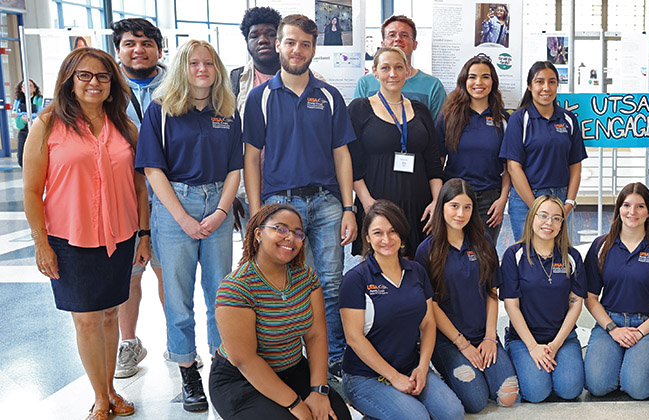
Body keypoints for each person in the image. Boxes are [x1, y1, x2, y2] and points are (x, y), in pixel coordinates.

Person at [23, 47, 149, 420]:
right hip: (68, 239)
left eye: (103, 76)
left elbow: (140, 186)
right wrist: (40, 243)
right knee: (86, 319)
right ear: (69, 80)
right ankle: (100, 397)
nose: (94, 82)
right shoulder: (47, 124)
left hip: (120, 235)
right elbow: (32, 190)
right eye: (85, 75)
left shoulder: (126, 127)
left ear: (112, 84)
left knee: (110, 314)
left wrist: (144, 234)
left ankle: (111, 389)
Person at [243, 14, 358, 378]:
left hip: (325, 203)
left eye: (305, 44)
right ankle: (294, 357)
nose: (297, 50)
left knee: (330, 282)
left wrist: (348, 207)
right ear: (278, 44)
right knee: (289, 283)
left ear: (314, 48)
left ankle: (335, 356)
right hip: (280, 206)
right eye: (290, 42)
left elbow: (342, 154)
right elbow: (250, 158)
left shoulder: (328, 95)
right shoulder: (260, 98)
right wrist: (258, 212)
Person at [134, 39, 242, 413]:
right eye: (194, 63)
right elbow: (152, 168)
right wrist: (182, 217)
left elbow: (235, 168)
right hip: (173, 205)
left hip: (218, 205)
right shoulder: (161, 111)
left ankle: (222, 367)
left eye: (209, 63)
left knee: (221, 293)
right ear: (183, 67)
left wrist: (221, 212)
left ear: (218, 70)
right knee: (178, 298)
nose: (202, 69)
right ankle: (188, 371)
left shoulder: (227, 111)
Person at [209, 204, 352, 420]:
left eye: (297, 233)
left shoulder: (306, 277)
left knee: (337, 415)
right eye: (280, 228)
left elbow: (316, 336)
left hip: (292, 369)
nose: (290, 238)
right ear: (258, 233)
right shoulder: (236, 288)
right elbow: (245, 360)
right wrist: (295, 404)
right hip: (241, 379)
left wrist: (318, 391)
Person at [340, 200, 466, 420]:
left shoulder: (416, 271)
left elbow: (427, 324)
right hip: (366, 376)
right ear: (367, 237)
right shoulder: (356, 280)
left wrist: (423, 367)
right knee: (417, 418)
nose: (386, 239)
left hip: (409, 367)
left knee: (453, 414)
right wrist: (394, 377)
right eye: (378, 233)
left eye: (393, 231)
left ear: (401, 235)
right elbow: (354, 338)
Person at [416, 179, 519, 413]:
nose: (460, 214)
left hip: (483, 335)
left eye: (467, 207)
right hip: (448, 341)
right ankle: (446, 377)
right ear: (441, 206)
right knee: (476, 402)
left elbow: (492, 292)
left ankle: (484, 366)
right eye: (454, 206)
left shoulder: (483, 244)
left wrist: (490, 338)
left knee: (508, 395)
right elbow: (430, 305)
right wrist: (462, 344)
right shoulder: (427, 251)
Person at [583, 182, 649, 400]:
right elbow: (591, 297)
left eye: (640, 206)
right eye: (626, 205)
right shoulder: (601, 246)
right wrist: (613, 329)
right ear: (618, 210)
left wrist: (641, 332)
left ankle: (637, 369)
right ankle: (623, 366)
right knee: (597, 385)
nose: (632, 212)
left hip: (648, 325)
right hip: (611, 323)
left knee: (639, 389)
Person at [112, 17, 167, 379]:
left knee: (169, 274)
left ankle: (177, 340)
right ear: (118, 50)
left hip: (168, 198)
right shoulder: (106, 88)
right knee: (129, 276)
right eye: (130, 43)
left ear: (159, 50)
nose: (139, 49)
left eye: (146, 43)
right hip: (125, 200)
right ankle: (128, 344)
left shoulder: (177, 84)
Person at [349, 46, 443, 258]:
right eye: (385, 68)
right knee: (378, 272)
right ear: (374, 72)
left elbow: (433, 163)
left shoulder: (420, 110)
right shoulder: (360, 109)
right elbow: (352, 164)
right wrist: (368, 203)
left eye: (399, 67)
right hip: (376, 203)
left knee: (417, 269)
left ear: (407, 71)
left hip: (419, 206)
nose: (393, 74)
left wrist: (436, 202)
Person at [500, 195, 587, 403]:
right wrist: (532, 347)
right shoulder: (514, 255)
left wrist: (555, 345)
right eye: (544, 216)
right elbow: (511, 305)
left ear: (562, 225)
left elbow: (576, 304)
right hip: (524, 339)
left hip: (562, 339)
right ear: (532, 218)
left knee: (570, 390)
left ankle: (551, 365)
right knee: (536, 393)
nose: (549, 223)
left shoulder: (571, 257)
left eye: (557, 218)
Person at [500, 62, 587, 245]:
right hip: (526, 200)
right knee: (528, 255)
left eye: (552, 82)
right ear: (530, 86)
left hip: (561, 198)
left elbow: (575, 166)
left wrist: (570, 201)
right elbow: (513, 167)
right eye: (539, 82)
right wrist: (536, 208)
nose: (546, 88)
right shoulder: (519, 119)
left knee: (559, 255)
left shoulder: (568, 119)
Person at [436, 56, 510, 243]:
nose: (479, 82)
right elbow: (438, 161)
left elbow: (510, 166)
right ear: (464, 81)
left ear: (493, 82)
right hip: (454, 197)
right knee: (453, 251)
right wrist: (437, 199)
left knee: (484, 254)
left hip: (490, 200)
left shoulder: (502, 119)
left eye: (485, 77)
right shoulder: (449, 116)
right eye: (472, 77)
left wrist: (502, 200)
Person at [354, 15, 448, 118]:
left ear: (415, 44)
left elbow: (439, 130)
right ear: (383, 44)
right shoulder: (365, 84)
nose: (398, 39)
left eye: (404, 35)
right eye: (392, 35)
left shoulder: (433, 86)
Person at [14, 79, 44, 167]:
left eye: (30, 86)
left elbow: (41, 114)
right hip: (24, 131)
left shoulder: (39, 100)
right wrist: (23, 120)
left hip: (36, 131)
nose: (26, 88)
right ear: (21, 89)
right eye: (24, 86)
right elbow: (18, 123)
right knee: (21, 158)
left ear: (34, 88)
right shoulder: (18, 102)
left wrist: (30, 117)